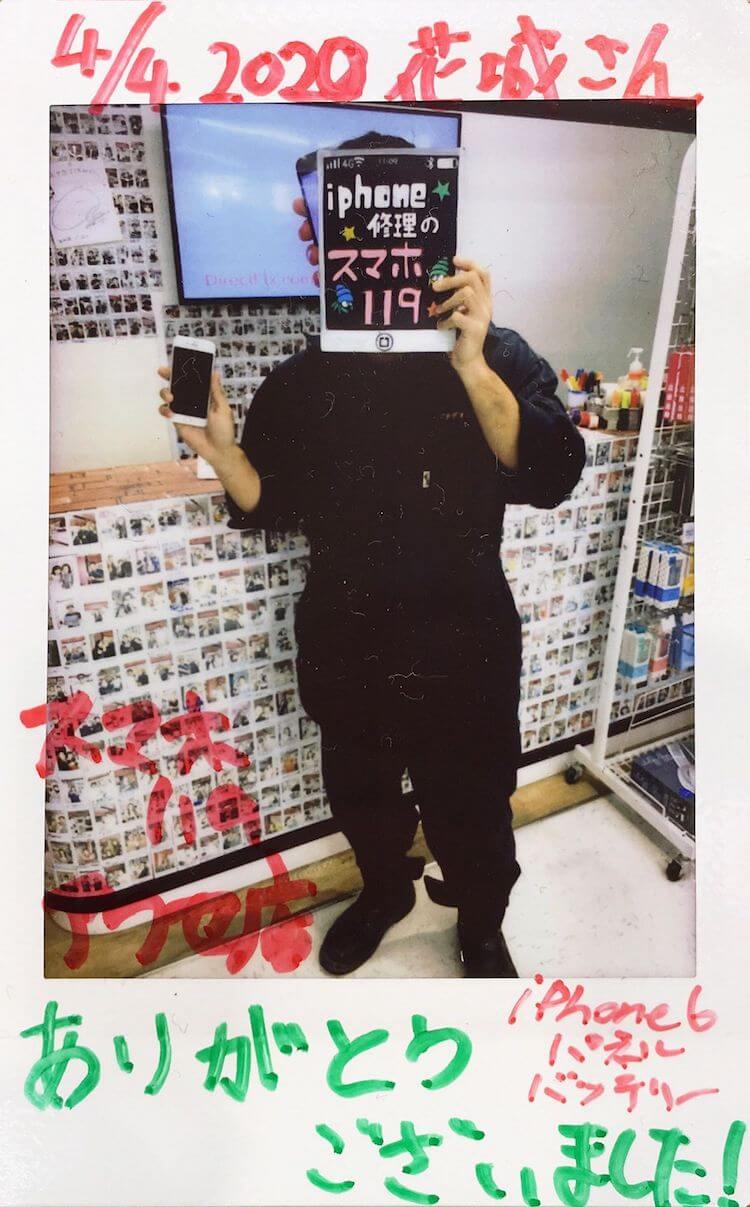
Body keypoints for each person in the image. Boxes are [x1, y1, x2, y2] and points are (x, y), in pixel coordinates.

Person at [157, 135, 585, 978]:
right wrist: (221, 450)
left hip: (465, 639)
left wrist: (471, 364)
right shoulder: (304, 377)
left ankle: (481, 922)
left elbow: (552, 472)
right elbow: (270, 502)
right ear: (317, 241)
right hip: (349, 638)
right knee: (361, 794)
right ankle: (385, 890)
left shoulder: (497, 354)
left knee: (476, 808)